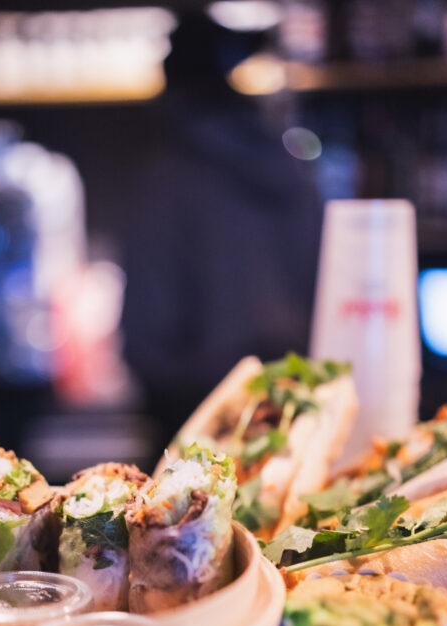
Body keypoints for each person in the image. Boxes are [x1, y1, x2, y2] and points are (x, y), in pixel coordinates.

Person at [121, 12, 324, 450]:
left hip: (194, 413)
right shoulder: (291, 167)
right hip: (293, 399)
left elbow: (146, 327)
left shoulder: (165, 177)